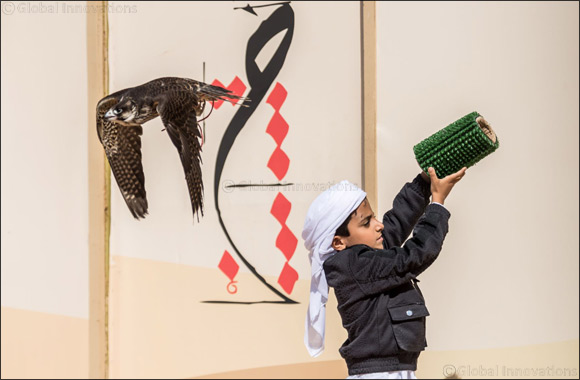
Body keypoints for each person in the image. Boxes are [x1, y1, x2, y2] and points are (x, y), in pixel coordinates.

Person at [302, 166, 467, 379]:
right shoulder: (355, 265)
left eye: (374, 217)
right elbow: (412, 257)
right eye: (366, 222)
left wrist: (424, 181)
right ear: (338, 242)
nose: (378, 225)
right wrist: (437, 204)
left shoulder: (367, 257)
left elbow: (397, 221)